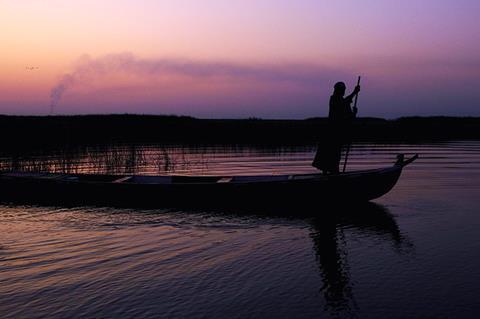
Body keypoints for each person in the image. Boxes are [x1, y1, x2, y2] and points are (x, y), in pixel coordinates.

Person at [312, 81, 360, 174]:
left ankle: (333, 175)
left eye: (343, 90)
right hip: (331, 133)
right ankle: (329, 176)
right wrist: (354, 92)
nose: (343, 91)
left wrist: (354, 114)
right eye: (341, 90)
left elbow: (347, 117)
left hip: (338, 134)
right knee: (328, 155)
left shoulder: (343, 102)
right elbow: (342, 105)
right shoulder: (333, 99)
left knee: (335, 156)